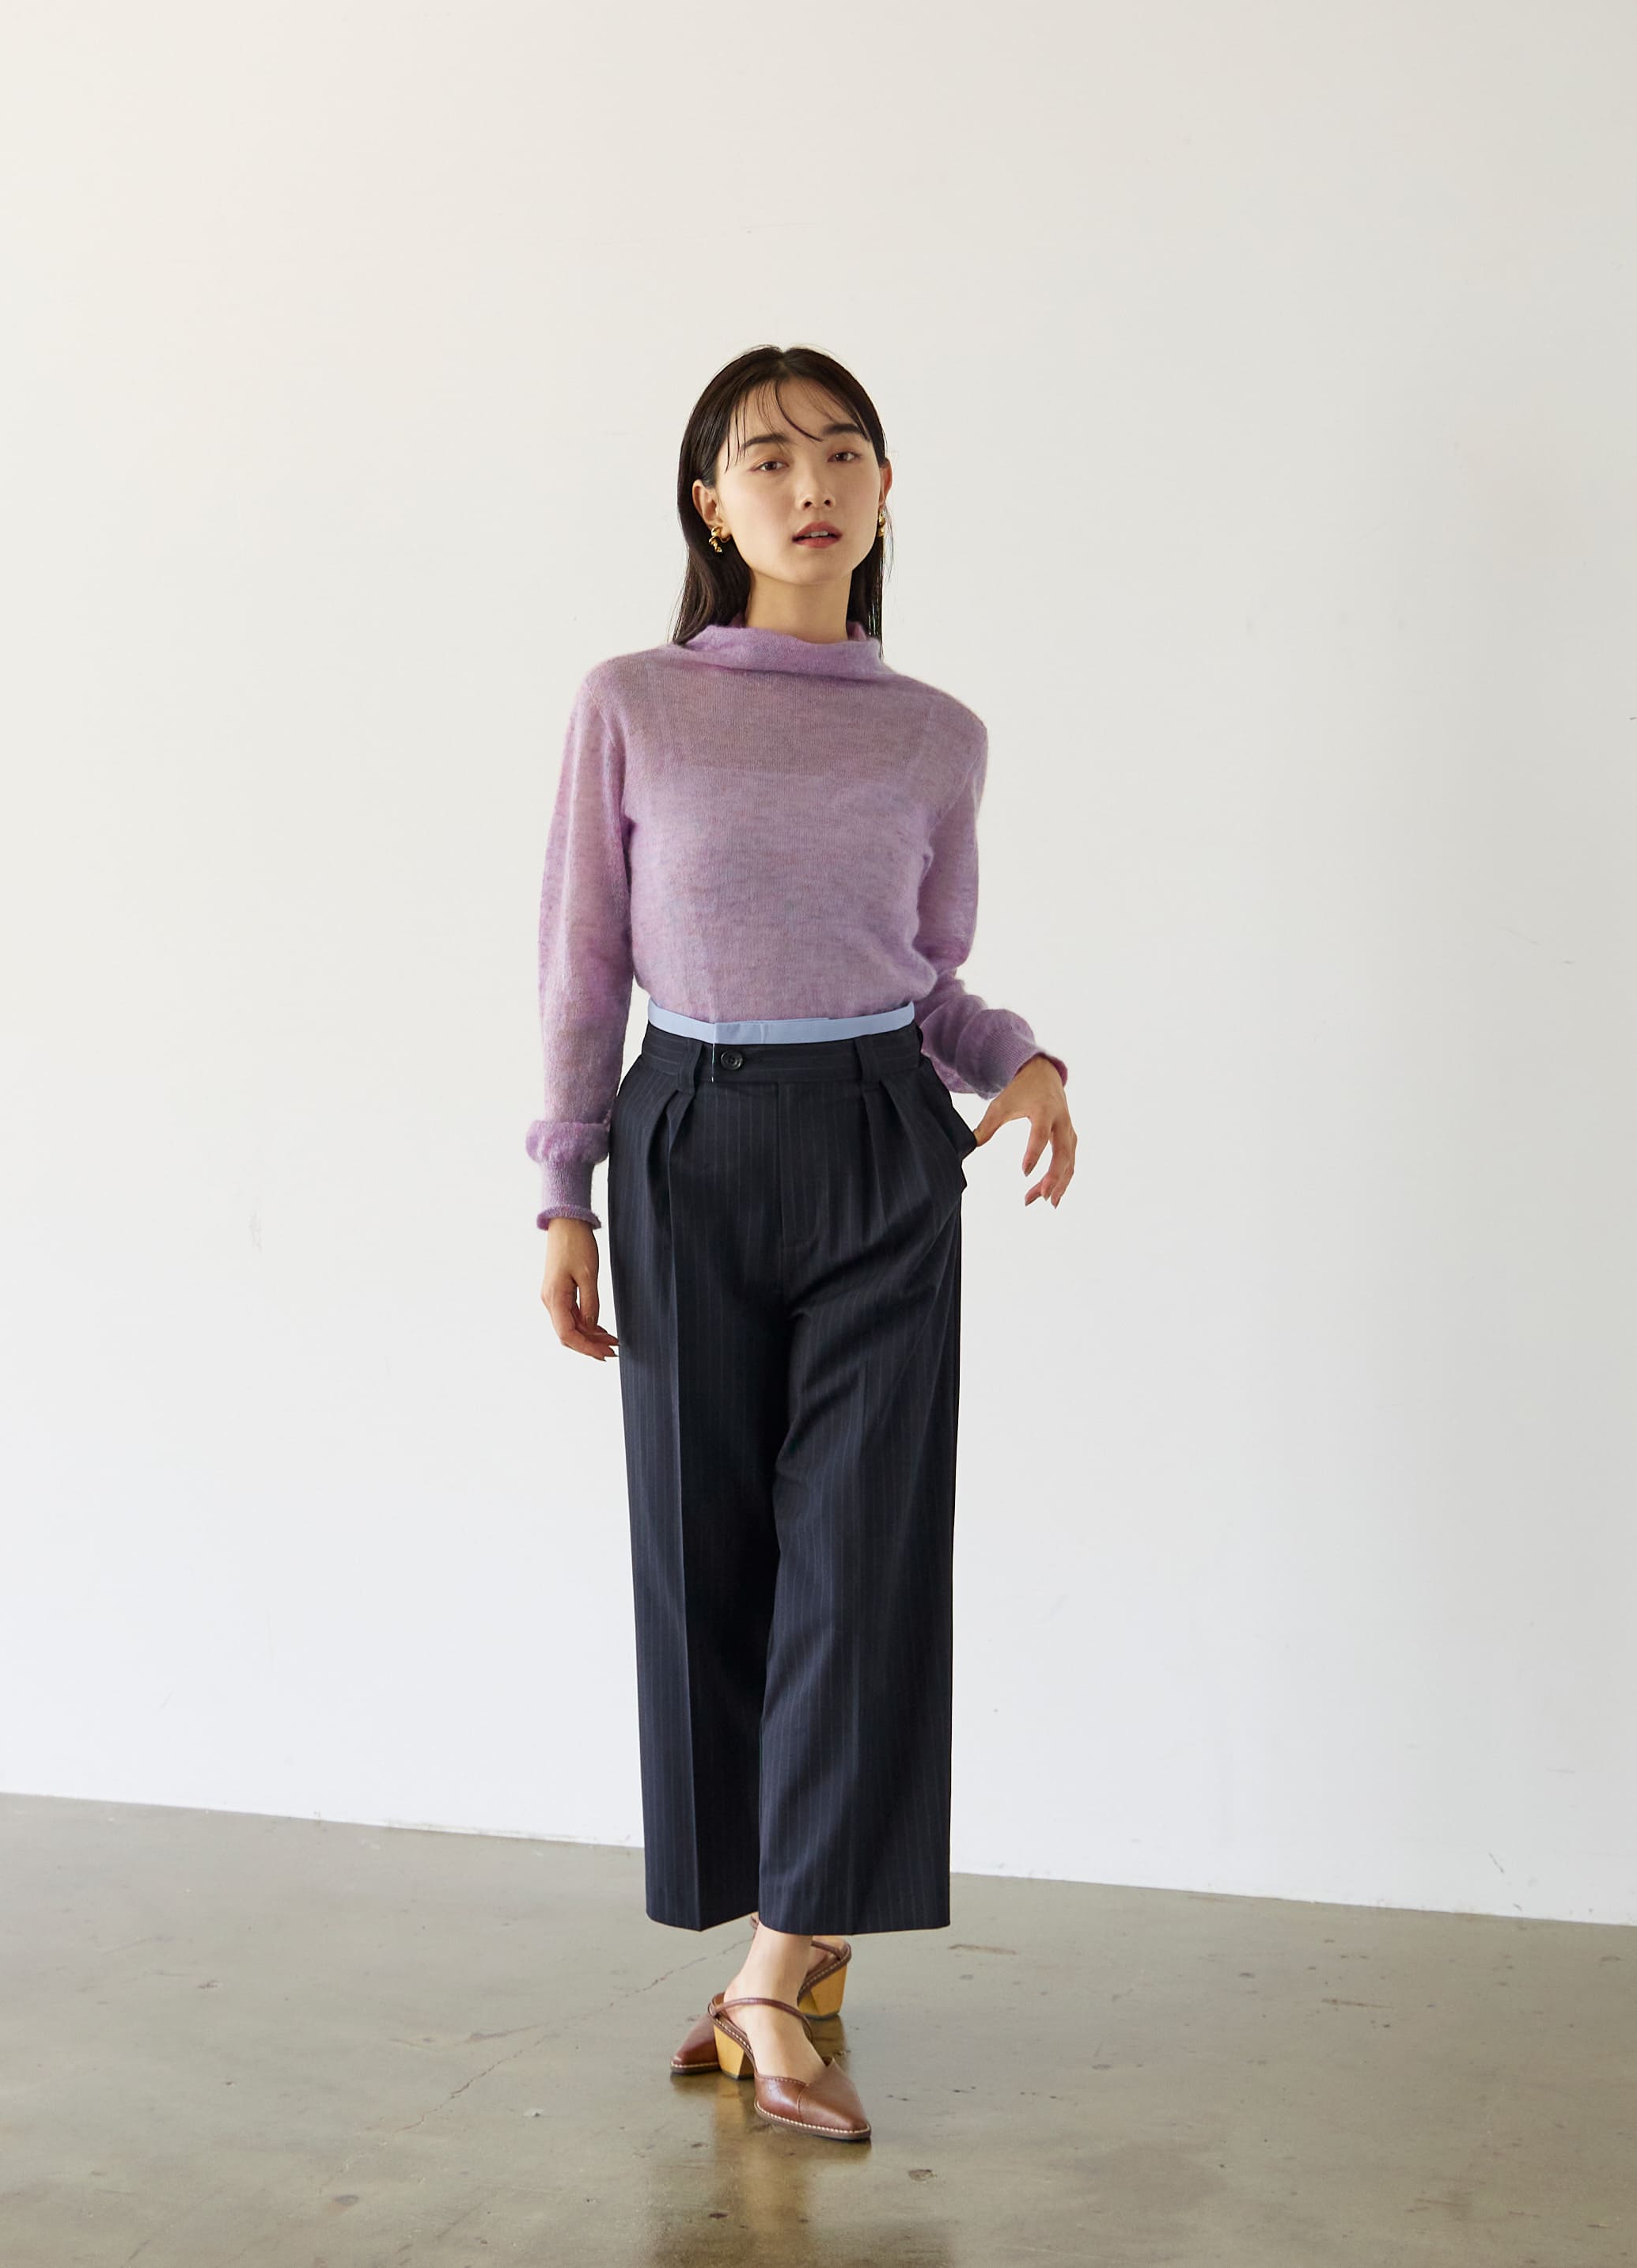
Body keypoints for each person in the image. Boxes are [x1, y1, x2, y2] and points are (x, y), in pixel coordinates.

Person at [526, 345, 1077, 2144]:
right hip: (685, 1138)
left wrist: (1020, 1057)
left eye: (843, 450)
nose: (810, 480)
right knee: (710, 1555)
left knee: (861, 1557)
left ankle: (780, 1966)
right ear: (710, 504)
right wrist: (563, 1188)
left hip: (878, 1146)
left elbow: (925, 982)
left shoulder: (934, 734)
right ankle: (777, 1945)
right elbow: (582, 963)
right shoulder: (633, 703)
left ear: (886, 489)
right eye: (766, 457)